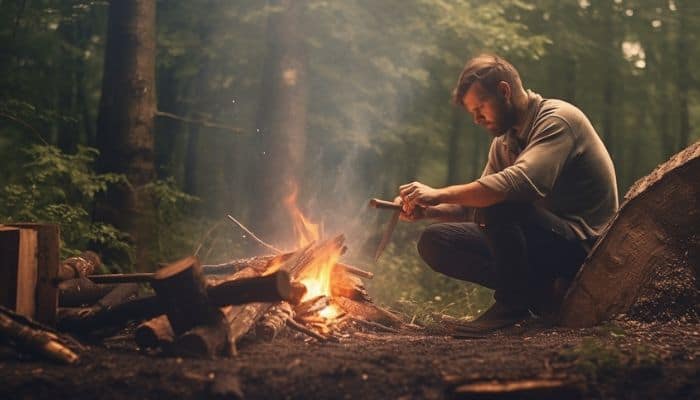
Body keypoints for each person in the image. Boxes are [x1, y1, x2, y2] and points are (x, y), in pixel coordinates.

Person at [398, 54, 618, 334]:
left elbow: (519, 184)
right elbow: (473, 208)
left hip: (583, 246)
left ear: (504, 91)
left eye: (481, 107)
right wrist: (426, 209)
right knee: (435, 240)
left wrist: (439, 193)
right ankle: (538, 294)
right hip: (538, 239)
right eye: (472, 112)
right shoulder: (504, 142)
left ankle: (512, 303)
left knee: (498, 200)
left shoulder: (558, 120)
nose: (477, 119)